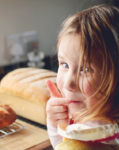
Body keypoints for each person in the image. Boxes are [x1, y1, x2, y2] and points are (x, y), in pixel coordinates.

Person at [46, 4, 119, 149]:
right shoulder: (76, 118)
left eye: (85, 69)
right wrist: (56, 125)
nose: (68, 84)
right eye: (65, 65)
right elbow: (61, 147)